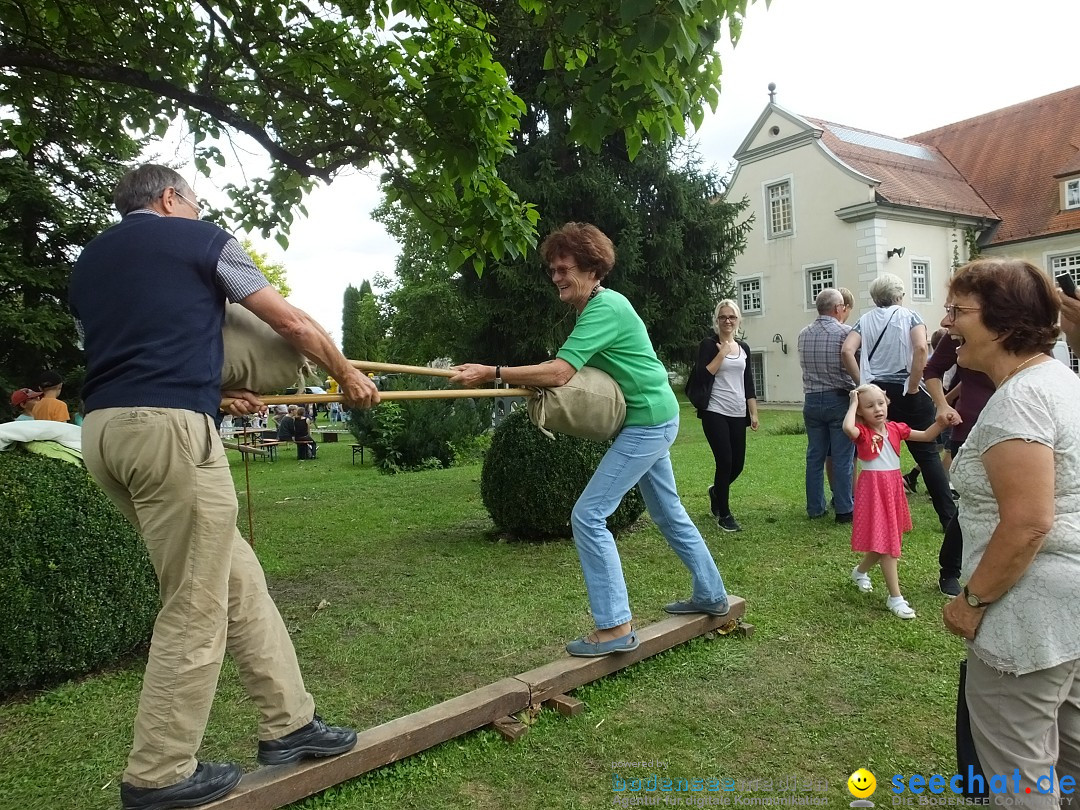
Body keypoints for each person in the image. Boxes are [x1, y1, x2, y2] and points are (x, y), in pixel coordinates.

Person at [68, 164, 380, 810]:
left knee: (237, 580)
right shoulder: (204, 239)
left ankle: (290, 721)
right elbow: (289, 324)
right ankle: (157, 772)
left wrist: (209, 394)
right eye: (195, 200)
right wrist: (345, 374)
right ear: (170, 198)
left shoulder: (91, 264)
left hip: (103, 434)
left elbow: (137, 353)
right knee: (195, 603)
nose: (199, 208)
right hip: (170, 439)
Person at [450, 222, 731, 657]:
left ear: (593, 270)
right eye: (553, 270)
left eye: (565, 269)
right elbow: (567, 371)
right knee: (668, 511)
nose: (557, 277)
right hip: (651, 416)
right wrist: (507, 377)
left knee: (588, 516)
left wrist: (493, 373)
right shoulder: (595, 308)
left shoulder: (605, 308)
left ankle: (615, 626)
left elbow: (561, 372)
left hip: (648, 421)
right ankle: (711, 593)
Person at [940, 258, 1080, 809]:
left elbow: (1027, 523)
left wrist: (971, 601)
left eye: (959, 311)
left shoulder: (1019, 402)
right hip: (1068, 615)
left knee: (1018, 774)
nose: (947, 322)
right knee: (1070, 756)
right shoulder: (1059, 381)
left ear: (1001, 323)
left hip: (1029, 619)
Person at [841, 273, 956, 533]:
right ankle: (948, 518)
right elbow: (920, 348)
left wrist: (864, 384)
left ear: (874, 297)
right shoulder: (910, 316)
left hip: (876, 394)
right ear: (900, 295)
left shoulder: (864, 319)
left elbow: (847, 350)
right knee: (928, 456)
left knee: (873, 454)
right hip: (906, 389)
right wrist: (914, 384)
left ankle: (872, 515)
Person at [844, 384, 943, 619]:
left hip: (892, 489)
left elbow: (928, 435)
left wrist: (942, 421)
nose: (877, 409)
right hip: (874, 490)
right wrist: (853, 403)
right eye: (869, 406)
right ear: (860, 411)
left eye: (880, 403)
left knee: (885, 541)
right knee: (888, 545)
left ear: (887, 403)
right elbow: (848, 428)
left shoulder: (896, 428)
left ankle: (859, 572)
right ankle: (895, 598)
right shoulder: (863, 432)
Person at [923, 322, 996, 597]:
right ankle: (949, 570)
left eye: (955, 308)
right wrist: (942, 404)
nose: (944, 320)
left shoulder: (1017, 327)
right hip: (970, 427)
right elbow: (932, 369)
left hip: (1015, 423)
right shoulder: (958, 331)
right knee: (971, 502)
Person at [689, 299, 759, 532]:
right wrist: (722, 354)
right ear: (716, 320)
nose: (727, 321)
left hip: (738, 412)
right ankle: (725, 515)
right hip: (714, 411)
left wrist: (753, 412)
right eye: (723, 317)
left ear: (738, 320)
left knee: (737, 464)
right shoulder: (708, 345)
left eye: (731, 317)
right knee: (725, 461)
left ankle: (716, 491)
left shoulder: (744, 348)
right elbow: (702, 374)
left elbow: (748, 382)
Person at [798, 288, 855, 523]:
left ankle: (815, 507)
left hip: (811, 400)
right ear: (838, 309)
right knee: (842, 457)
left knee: (815, 456)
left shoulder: (803, 334)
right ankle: (844, 509)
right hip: (838, 399)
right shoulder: (846, 333)